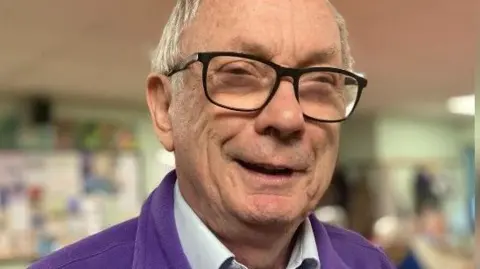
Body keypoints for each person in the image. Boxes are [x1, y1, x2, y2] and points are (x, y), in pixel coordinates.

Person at [30, 0, 396, 268]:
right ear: (165, 109)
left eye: (320, 82)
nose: (287, 117)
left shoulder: (370, 264)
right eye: (239, 75)